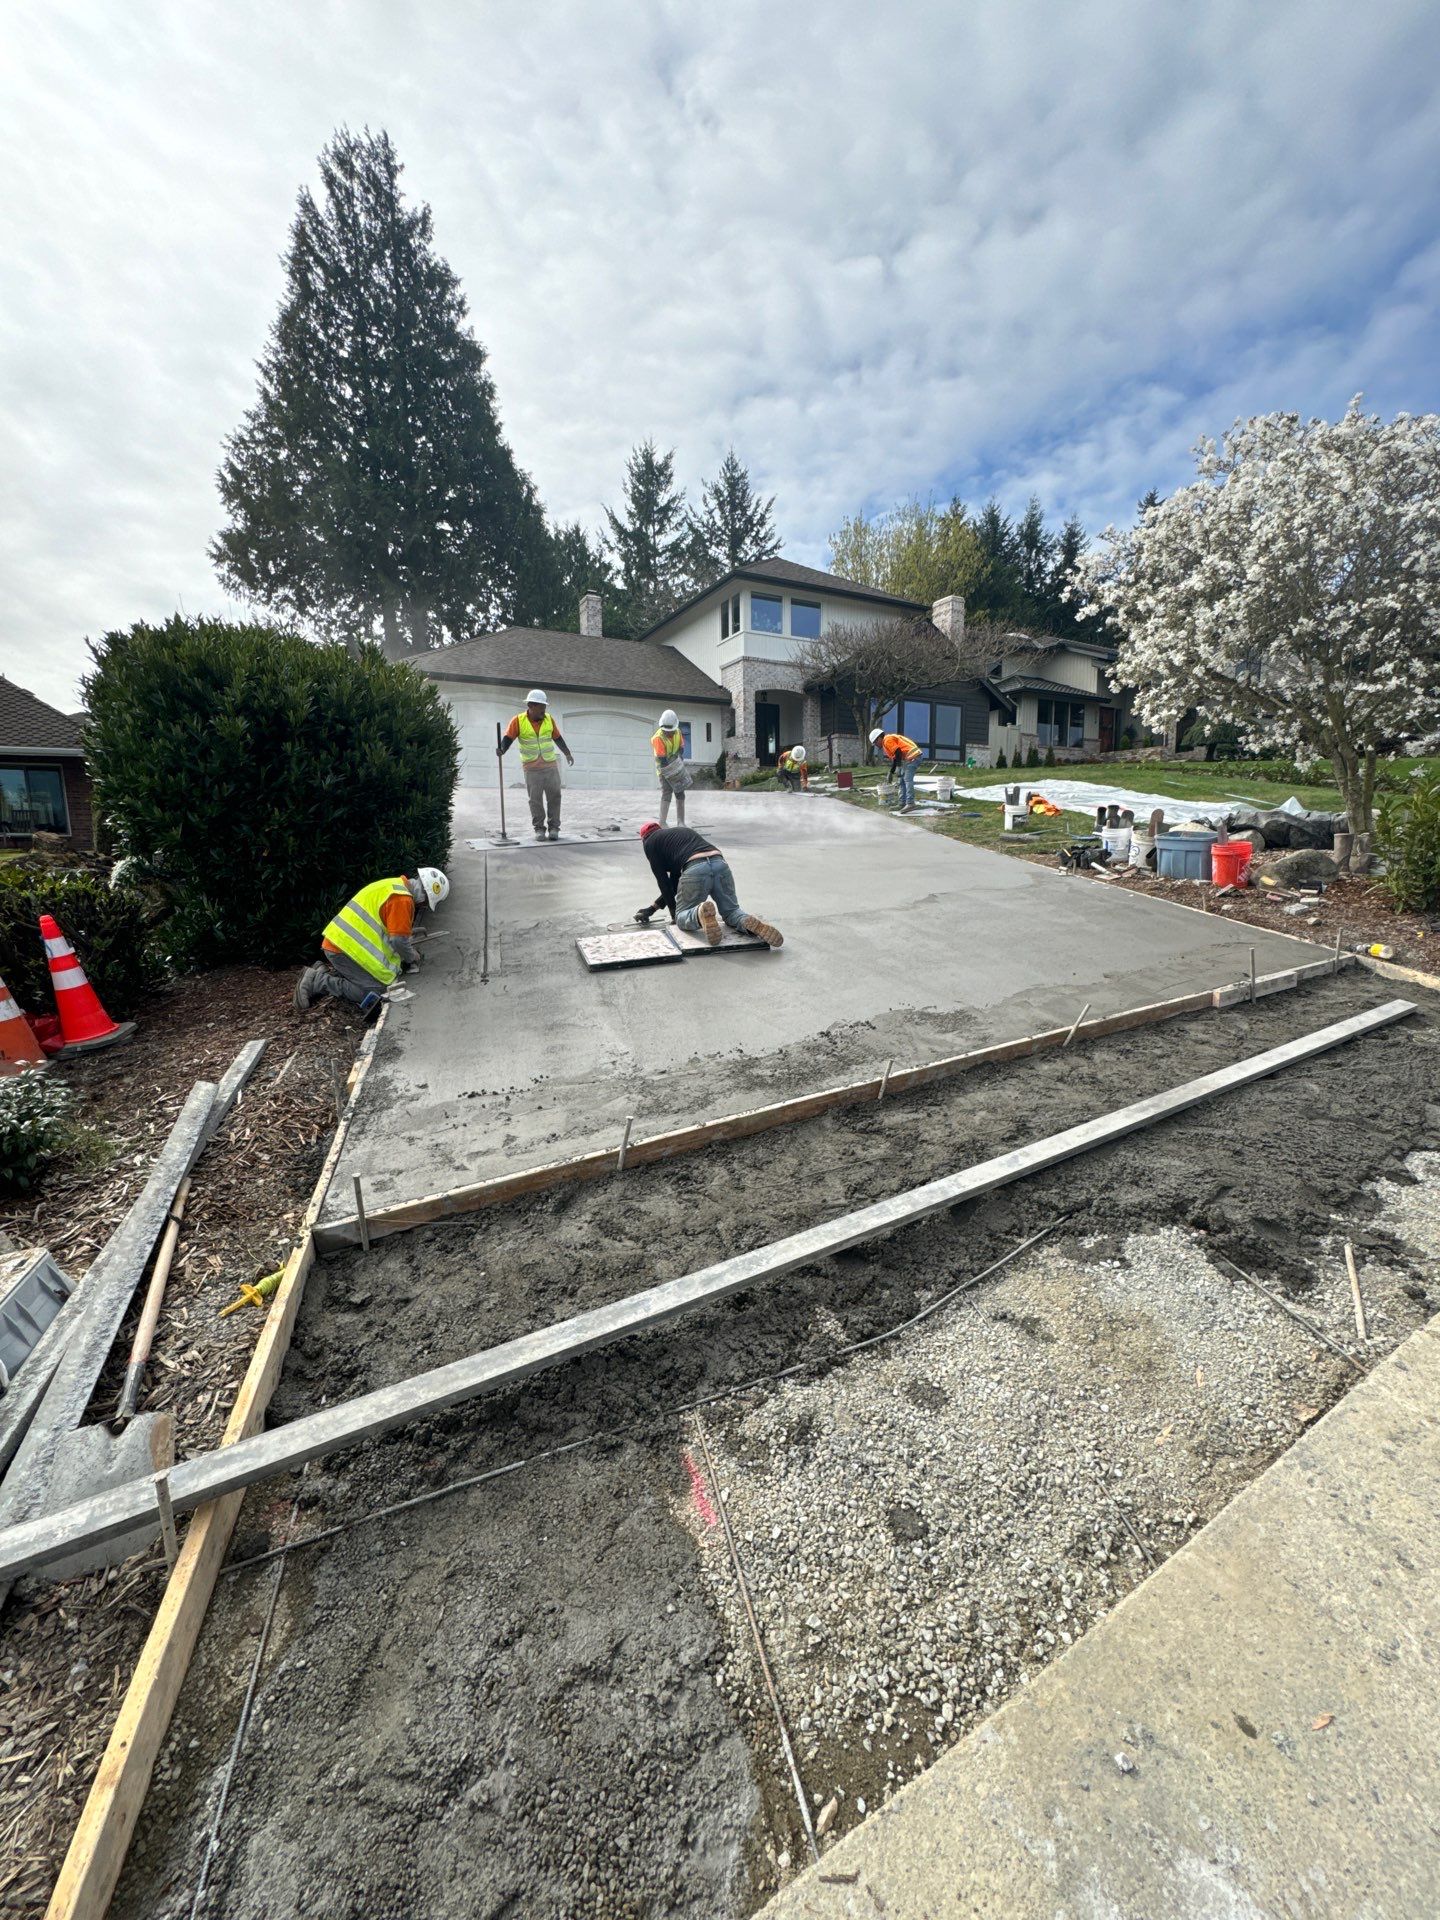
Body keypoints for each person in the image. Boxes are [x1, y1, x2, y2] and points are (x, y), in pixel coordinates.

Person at [294, 868, 450, 1014]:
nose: (421, 906)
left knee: (371, 980)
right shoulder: (402, 900)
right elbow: (398, 941)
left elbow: (388, 929)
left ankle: (327, 972)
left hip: (340, 944)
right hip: (343, 950)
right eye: (424, 904)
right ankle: (318, 981)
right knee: (375, 991)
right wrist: (412, 957)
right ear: (424, 896)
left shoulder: (393, 886)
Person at [634, 823, 782, 948]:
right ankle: (745, 922)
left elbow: (664, 883)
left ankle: (698, 914)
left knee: (681, 917)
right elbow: (675, 884)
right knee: (731, 912)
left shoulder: (650, 843)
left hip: (694, 867)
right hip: (719, 863)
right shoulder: (676, 836)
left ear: (643, 839)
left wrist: (674, 915)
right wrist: (652, 908)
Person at [497, 690, 575, 841]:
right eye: (541, 706)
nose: (544, 710)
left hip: (550, 766)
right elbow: (508, 738)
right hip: (532, 768)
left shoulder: (549, 719)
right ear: (531, 705)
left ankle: (554, 828)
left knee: (555, 797)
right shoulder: (518, 721)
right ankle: (539, 829)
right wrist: (502, 750)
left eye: (545, 706)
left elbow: (557, 738)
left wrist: (567, 753)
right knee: (535, 800)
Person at [869, 725, 923, 812]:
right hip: (908, 758)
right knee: (901, 781)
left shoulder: (887, 740)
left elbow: (898, 752)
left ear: (879, 738)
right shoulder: (886, 743)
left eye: (875, 742)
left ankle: (910, 803)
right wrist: (891, 772)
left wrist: (898, 767)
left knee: (907, 779)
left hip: (913, 757)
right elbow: (895, 758)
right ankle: (902, 803)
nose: (875, 745)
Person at [652, 708, 690, 826]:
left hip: (676, 766)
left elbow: (681, 748)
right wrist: (674, 769)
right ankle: (662, 822)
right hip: (664, 769)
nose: (670, 733)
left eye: (671, 730)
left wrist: (678, 759)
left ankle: (681, 822)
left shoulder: (678, 732)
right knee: (667, 792)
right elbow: (663, 760)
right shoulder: (657, 738)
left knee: (680, 792)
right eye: (667, 731)